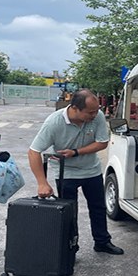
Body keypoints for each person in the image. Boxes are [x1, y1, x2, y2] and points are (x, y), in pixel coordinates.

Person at [28, 89, 124, 255]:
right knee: (69, 212)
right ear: (74, 108)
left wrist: (75, 152)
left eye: (96, 110)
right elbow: (33, 152)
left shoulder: (97, 116)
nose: (95, 115)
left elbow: (102, 142)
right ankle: (70, 247)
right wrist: (42, 183)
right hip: (66, 172)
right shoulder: (54, 123)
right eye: (90, 112)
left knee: (98, 208)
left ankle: (102, 242)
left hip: (91, 169)